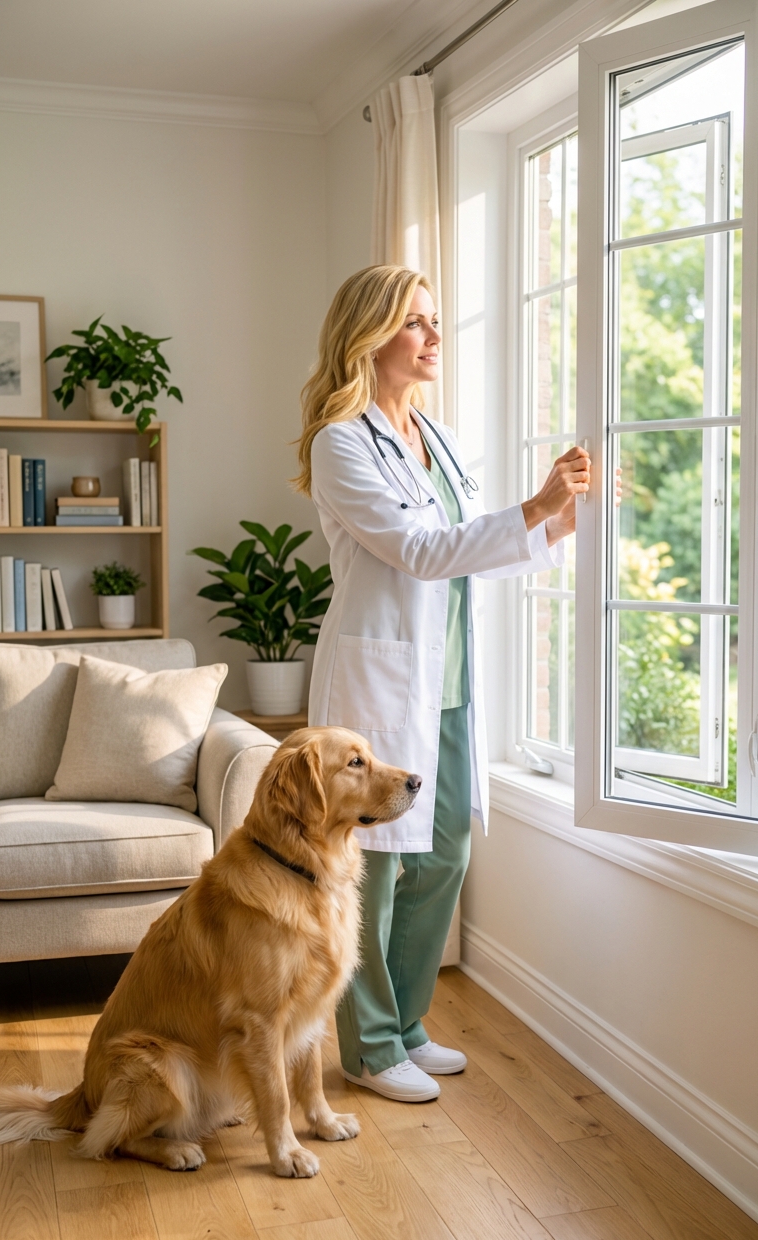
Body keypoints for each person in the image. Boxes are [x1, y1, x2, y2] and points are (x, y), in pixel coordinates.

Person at [296, 264, 591, 1103]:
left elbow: (468, 550)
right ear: (369, 334)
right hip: (380, 682)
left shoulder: (441, 436)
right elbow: (420, 552)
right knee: (378, 867)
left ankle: (408, 1021)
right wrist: (533, 507)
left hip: (448, 680)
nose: (434, 335)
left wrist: (556, 522)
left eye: (434, 319)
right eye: (416, 321)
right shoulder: (339, 442)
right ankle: (369, 1047)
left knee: (448, 849)